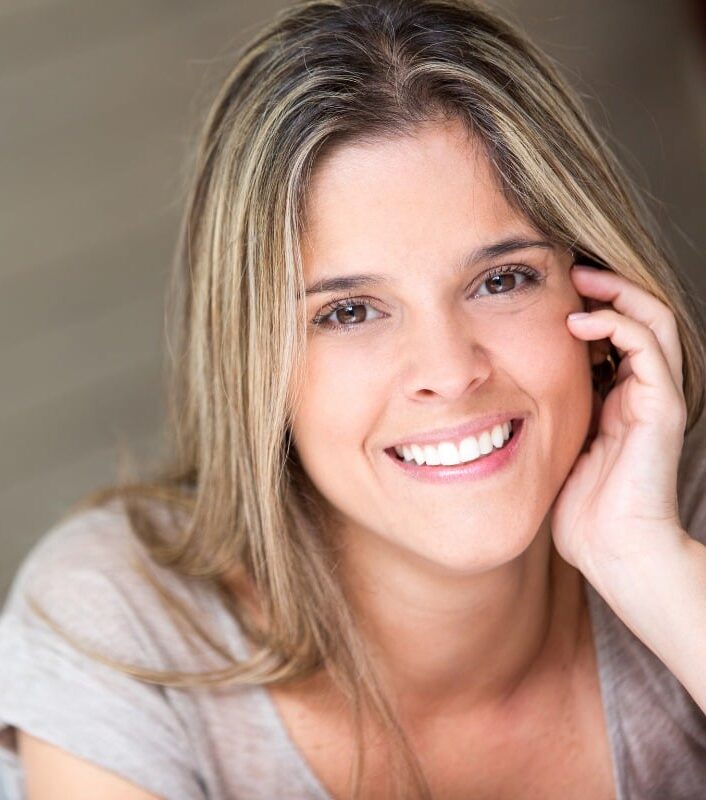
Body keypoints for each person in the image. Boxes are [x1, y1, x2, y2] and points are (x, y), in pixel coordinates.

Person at [1, 0, 706, 798]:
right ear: (253, 361)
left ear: (598, 300)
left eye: (501, 279)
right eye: (348, 312)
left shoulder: (682, 525)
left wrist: (651, 566)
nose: (447, 368)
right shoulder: (122, 628)